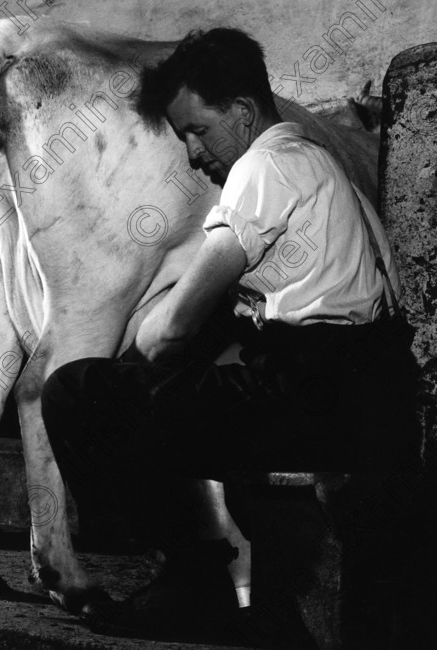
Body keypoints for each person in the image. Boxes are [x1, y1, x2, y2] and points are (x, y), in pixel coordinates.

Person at [41, 27, 419, 641]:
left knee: (78, 391)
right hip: (360, 391)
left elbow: (168, 331)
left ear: (243, 113)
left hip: (317, 392)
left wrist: (140, 374)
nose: (192, 153)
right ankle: (222, 585)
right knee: (170, 395)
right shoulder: (319, 165)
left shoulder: (265, 165)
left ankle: (192, 582)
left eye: (196, 130)